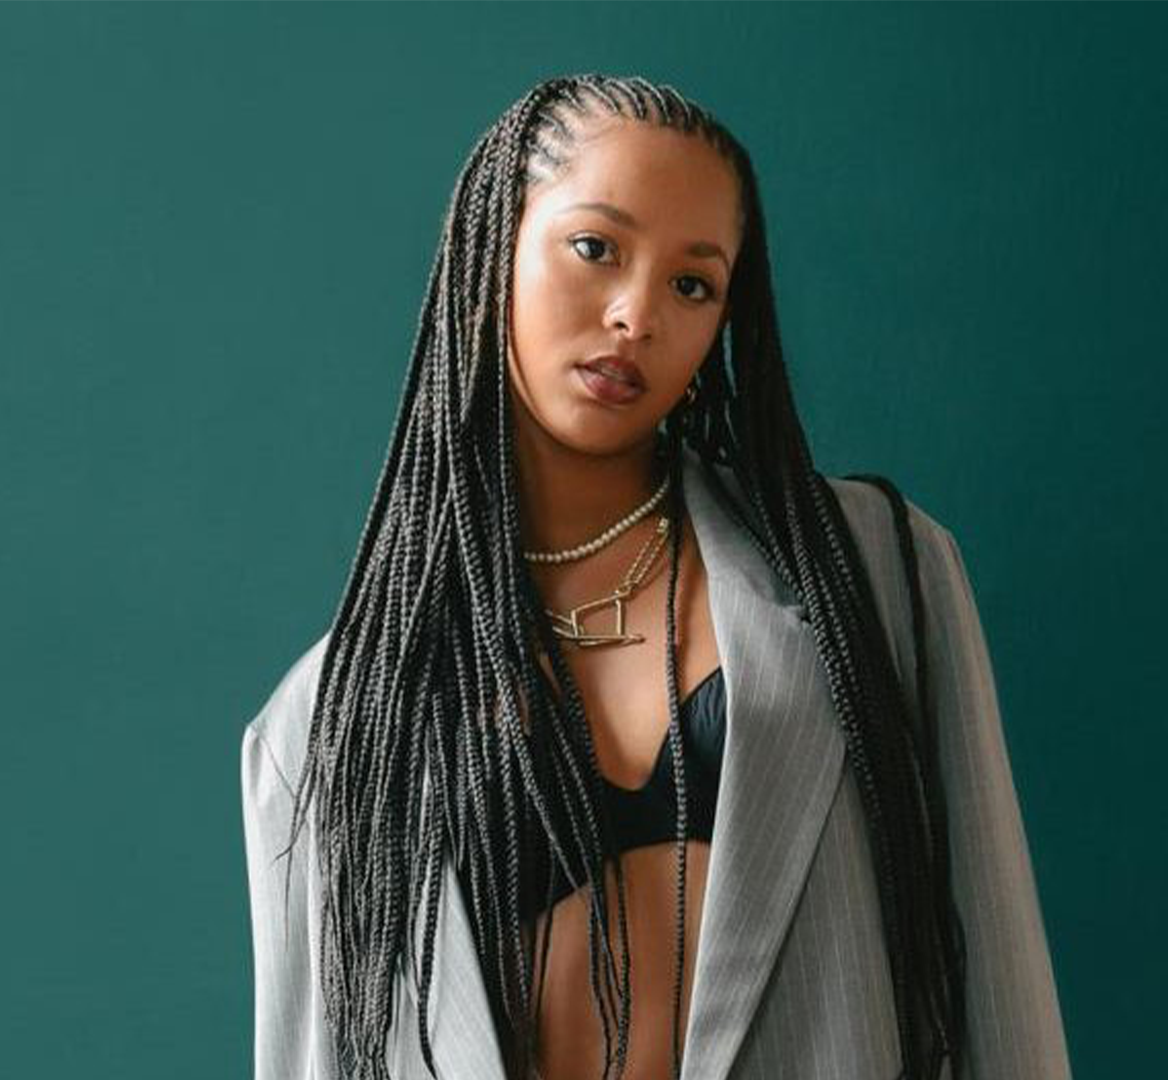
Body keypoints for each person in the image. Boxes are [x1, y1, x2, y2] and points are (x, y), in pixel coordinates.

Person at [241, 73, 1070, 1080]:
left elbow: (1000, 991)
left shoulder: (875, 575)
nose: (636, 315)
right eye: (596, 249)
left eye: (693, 283)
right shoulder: (331, 723)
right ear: (488, 252)